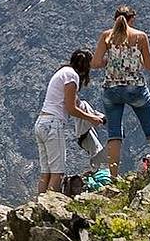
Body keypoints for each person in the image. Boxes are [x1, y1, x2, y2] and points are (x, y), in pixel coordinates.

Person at [91, 5, 150, 179]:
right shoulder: (140, 37)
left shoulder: (106, 36)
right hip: (135, 88)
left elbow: (95, 63)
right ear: (132, 19)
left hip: (111, 89)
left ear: (115, 19)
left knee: (114, 134)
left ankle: (113, 177)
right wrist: (138, 59)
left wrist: (110, 63)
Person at [35, 49, 106, 193]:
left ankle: (38, 207)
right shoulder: (72, 76)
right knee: (58, 173)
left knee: (46, 173)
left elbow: (77, 102)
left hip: (41, 123)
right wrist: (91, 119)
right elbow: (71, 108)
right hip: (53, 125)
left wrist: (95, 114)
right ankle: (49, 209)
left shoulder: (63, 72)